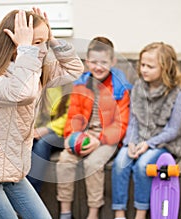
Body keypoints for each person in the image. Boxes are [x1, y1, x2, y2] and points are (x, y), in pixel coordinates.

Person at [0, 8, 84, 219]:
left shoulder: (35, 70)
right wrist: (27, 50)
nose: (42, 49)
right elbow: (22, 93)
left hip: (12, 170)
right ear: (13, 43)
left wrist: (52, 39)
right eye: (36, 42)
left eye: (43, 42)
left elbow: (74, 69)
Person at [56, 36, 132, 219]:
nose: (98, 67)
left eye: (104, 62)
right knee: (64, 160)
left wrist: (99, 140)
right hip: (84, 135)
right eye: (94, 62)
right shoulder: (81, 85)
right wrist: (71, 136)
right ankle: (65, 212)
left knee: (92, 163)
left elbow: (121, 124)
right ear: (87, 62)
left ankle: (93, 212)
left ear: (113, 61)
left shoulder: (120, 88)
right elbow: (73, 115)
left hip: (108, 139)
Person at [111, 42, 181, 219]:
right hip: (138, 139)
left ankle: (141, 212)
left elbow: (173, 130)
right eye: (142, 64)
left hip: (163, 141)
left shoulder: (175, 92)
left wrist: (149, 144)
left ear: (165, 67)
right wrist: (130, 143)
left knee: (144, 165)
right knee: (120, 162)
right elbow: (134, 121)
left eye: (150, 66)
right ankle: (119, 212)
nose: (144, 69)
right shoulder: (138, 87)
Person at [27, 83, 71, 193]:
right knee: (29, 142)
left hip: (63, 132)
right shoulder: (39, 84)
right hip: (40, 128)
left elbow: (70, 115)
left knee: (43, 143)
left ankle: (32, 190)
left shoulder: (71, 86)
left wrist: (47, 129)